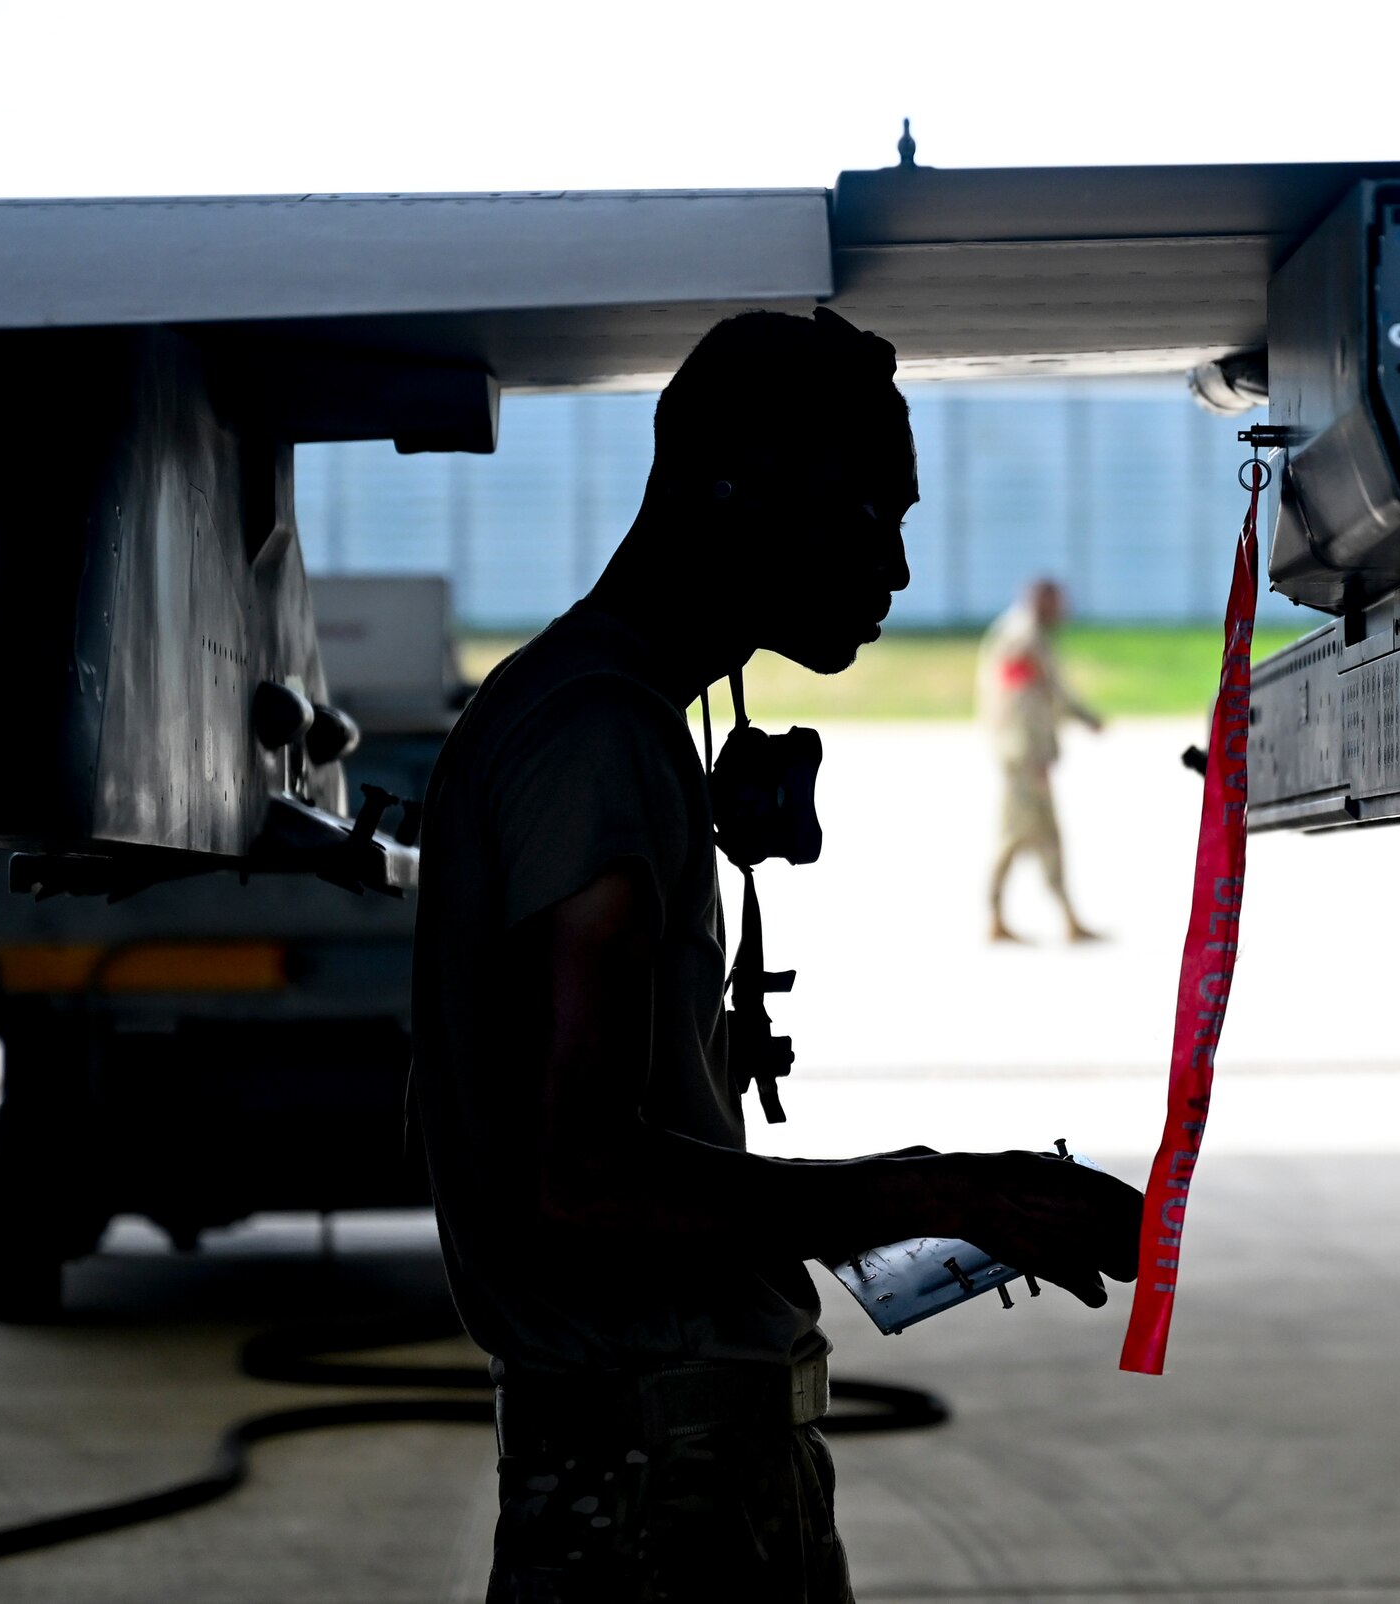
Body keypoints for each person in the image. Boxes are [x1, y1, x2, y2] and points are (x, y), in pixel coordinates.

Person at [409, 309, 1142, 1604]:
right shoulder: (598, 742)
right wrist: (944, 1194)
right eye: (870, 512)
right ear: (730, 494)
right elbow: (586, 1177)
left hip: (675, 1460)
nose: (899, 570)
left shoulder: (614, 722)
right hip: (658, 1494)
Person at [977, 578, 1105, 943]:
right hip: (1023, 756)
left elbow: (1048, 694)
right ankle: (1010, 917)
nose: (1063, 612)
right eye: (1057, 603)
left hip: (1023, 754)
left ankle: (1059, 917)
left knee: (1029, 834)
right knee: (1023, 835)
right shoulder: (1022, 640)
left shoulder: (1027, 635)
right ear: (1041, 601)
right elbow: (1019, 705)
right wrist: (1034, 753)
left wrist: (1084, 718)